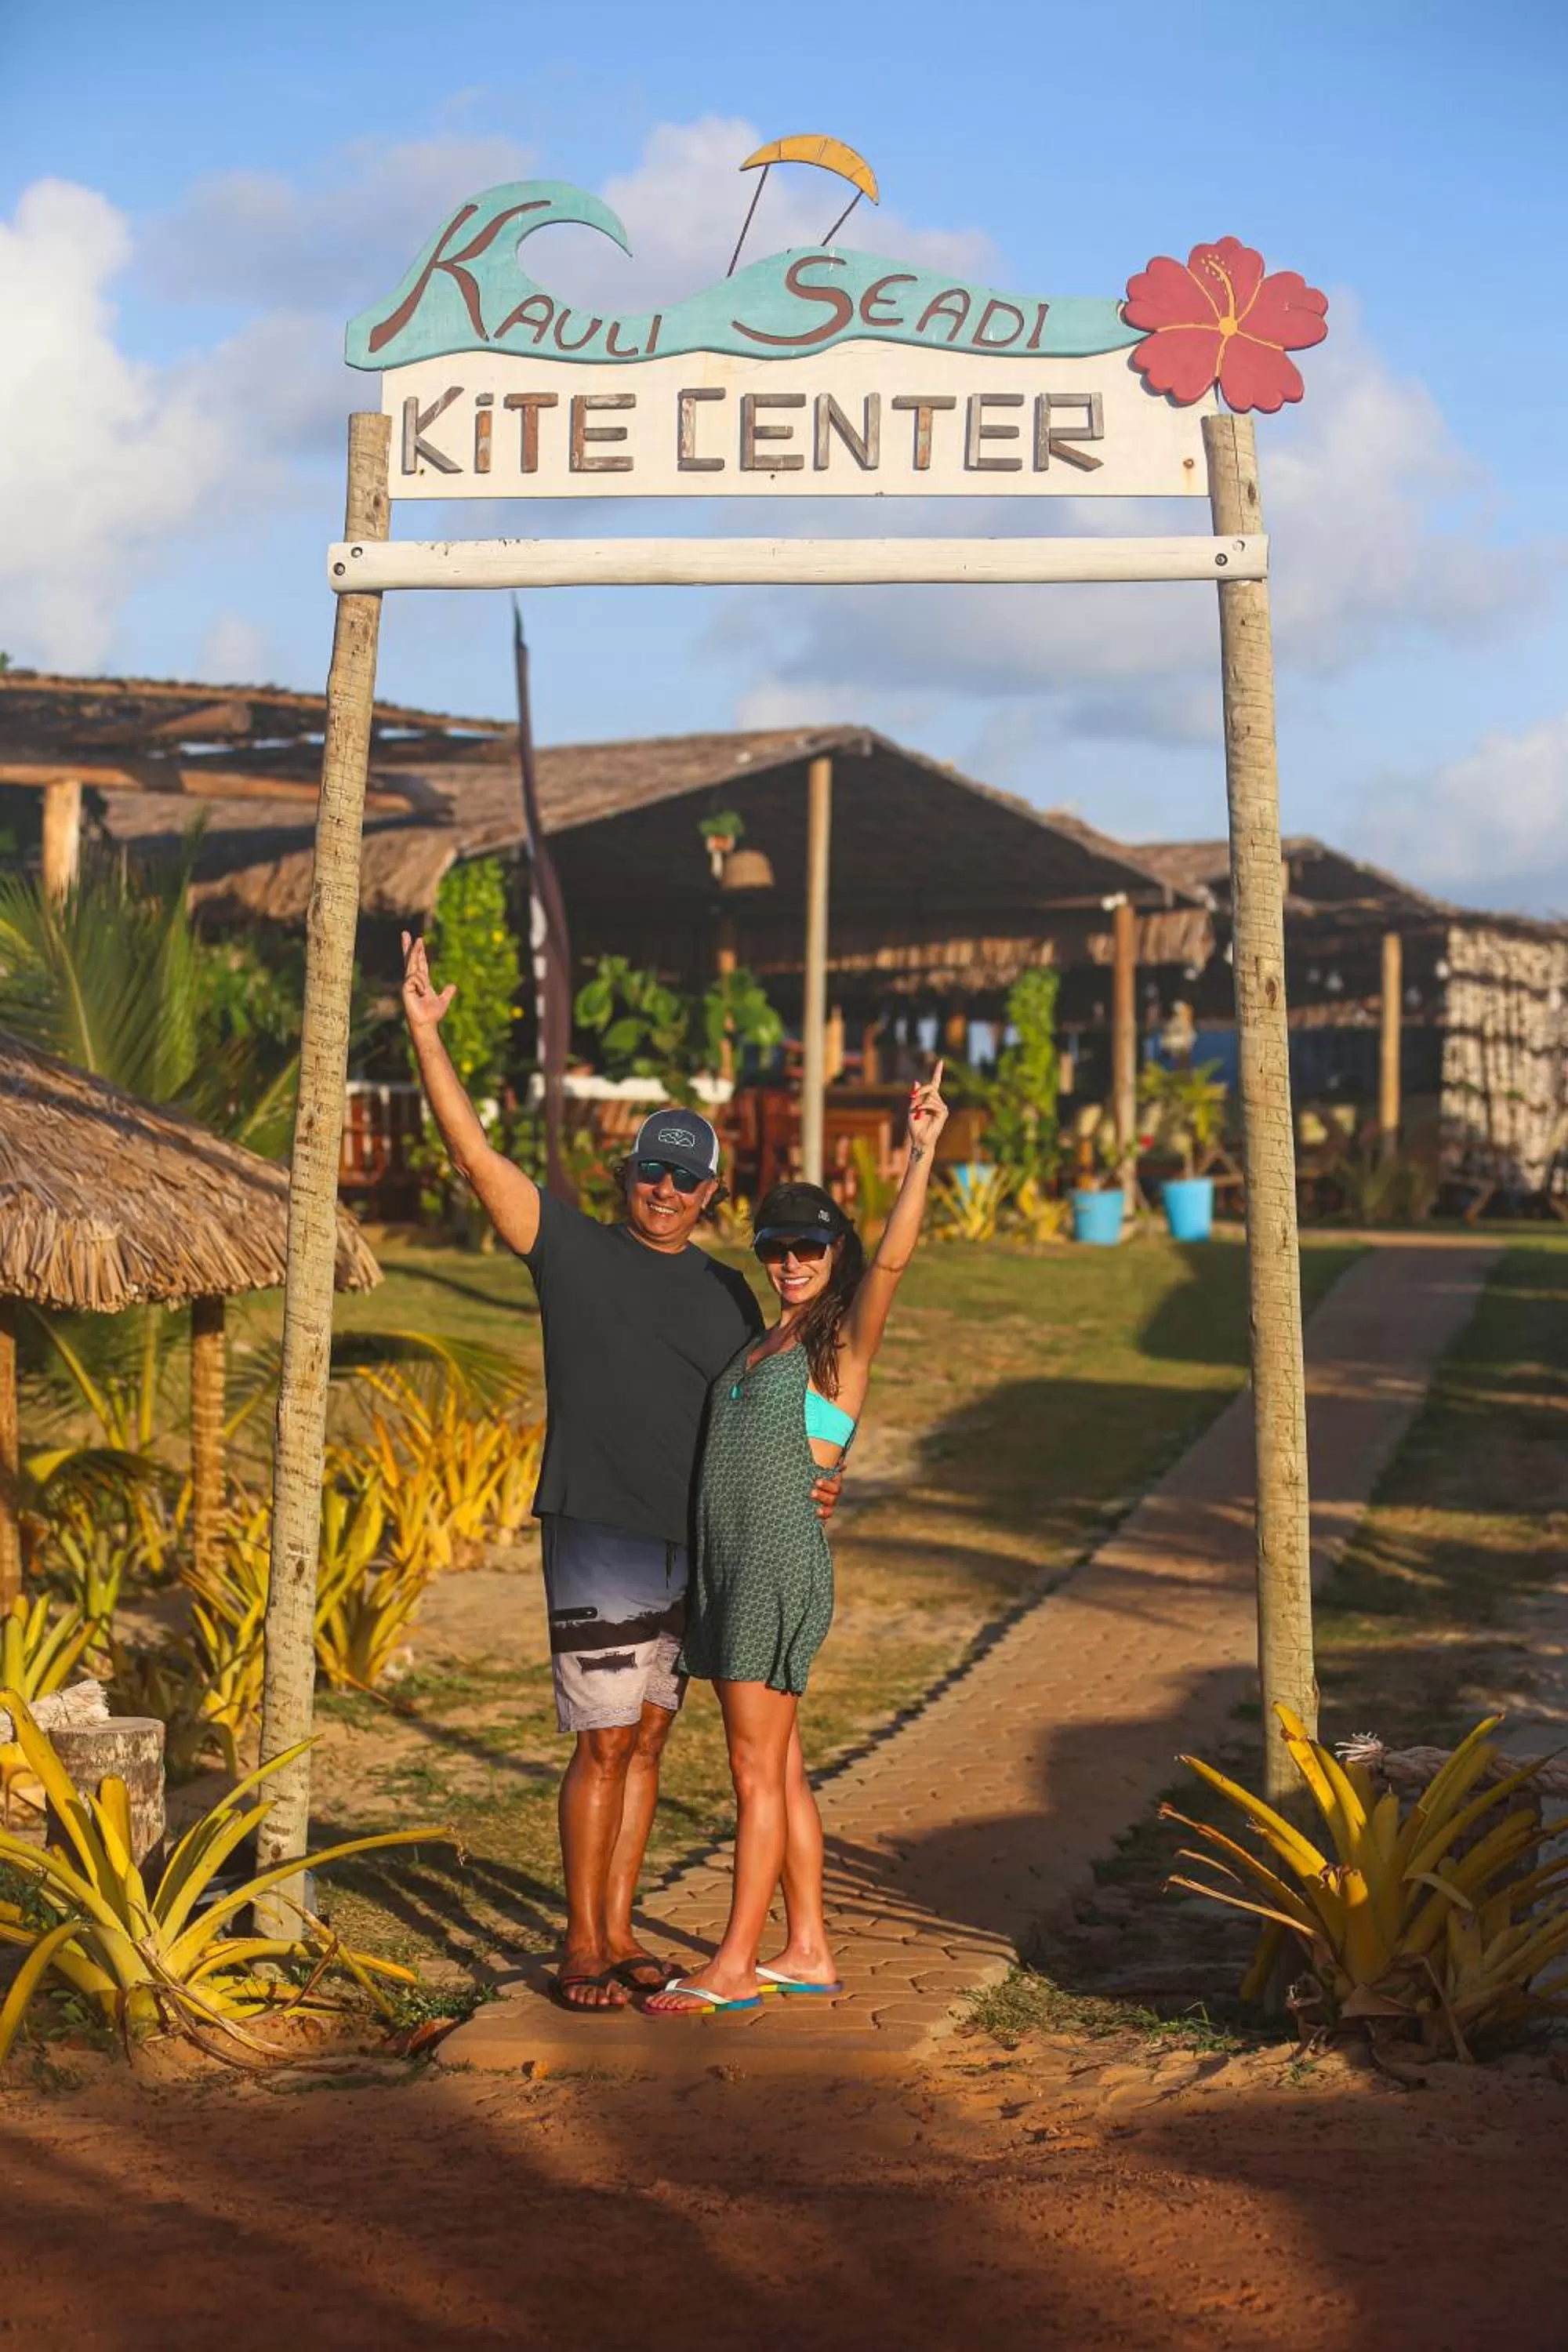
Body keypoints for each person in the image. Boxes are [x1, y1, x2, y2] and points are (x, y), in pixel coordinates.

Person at [400, 931, 837, 2013]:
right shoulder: (568, 1248)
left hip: (695, 1542)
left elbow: (776, 1400)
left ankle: (624, 1926)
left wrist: (820, 1475)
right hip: (599, 1525)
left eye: (686, 1179)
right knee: (602, 1745)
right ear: (625, 1173)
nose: (665, 1189)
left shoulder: (733, 1294)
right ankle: (581, 1943)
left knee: (649, 1740)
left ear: (708, 1193)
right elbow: (475, 1158)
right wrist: (426, 1036)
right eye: (652, 1169)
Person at [646, 1063, 949, 2016]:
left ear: (835, 1249)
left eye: (808, 1246)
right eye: (775, 1245)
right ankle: (807, 1945)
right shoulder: (761, 1341)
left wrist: (921, 1154)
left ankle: (733, 1964)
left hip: (776, 1568)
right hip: (733, 1567)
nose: (789, 1260)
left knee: (748, 1769)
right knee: (777, 1764)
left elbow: (893, 1264)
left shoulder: (838, 1341)